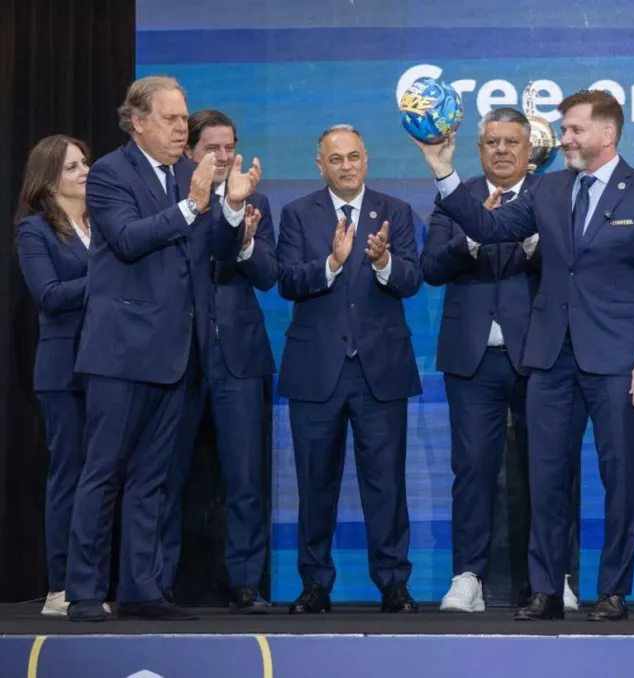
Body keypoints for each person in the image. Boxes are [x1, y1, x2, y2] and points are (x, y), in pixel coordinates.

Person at [415, 90, 634, 621]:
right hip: (550, 357)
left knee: (619, 476)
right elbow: (488, 228)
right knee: (546, 475)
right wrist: (444, 172)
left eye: (575, 130)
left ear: (607, 133)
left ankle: (612, 590)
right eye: (564, 130)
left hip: (616, 358)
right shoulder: (550, 189)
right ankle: (544, 589)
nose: (564, 139)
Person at [65, 75, 260, 621]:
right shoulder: (109, 173)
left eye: (184, 117)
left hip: (179, 353)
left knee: (154, 478)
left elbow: (216, 253)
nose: (183, 127)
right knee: (103, 472)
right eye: (173, 119)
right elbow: (128, 239)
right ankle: (83, 591)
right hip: (122, 353)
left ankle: (140, 589)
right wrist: (194, 205)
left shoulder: (186, 176)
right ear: (138, 122)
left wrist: (229, 208)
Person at [421, 107, 579, 612]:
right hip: (471, 360)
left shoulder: (552, 196)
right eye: (493, 142)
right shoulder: (457, 198)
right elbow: (429, 267)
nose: (503, 150)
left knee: (552, 468)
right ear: (479, 148)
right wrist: (473, 236)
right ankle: (468, 576)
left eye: (513, 141)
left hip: (538, 356)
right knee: (471, 469)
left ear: (529, 149)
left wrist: (533, 240)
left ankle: (557, 578)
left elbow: (574, 265)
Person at [277, 124, 422, 614]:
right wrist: (332, 264)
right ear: (320, 165)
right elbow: (288, 281)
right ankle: (315, 584)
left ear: (366, 160)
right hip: (317, 371)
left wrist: (382, 262)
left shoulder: (396, 213)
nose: (345, 166)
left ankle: (393, 583)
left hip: (380, 371)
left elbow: (412, 279)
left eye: (353, 156)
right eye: (335, 159)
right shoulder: (297, 214)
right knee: (314, 484)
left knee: (386, 484)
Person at [159, 109, 276, 613]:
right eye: (212, 147)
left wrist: (245, 240)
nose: (223, 156)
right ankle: (156, 580)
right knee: (162, 475)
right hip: (176, 355)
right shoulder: (173, 200)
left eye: (229, 146)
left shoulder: (258, 201)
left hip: (240, 356)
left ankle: (245, 581)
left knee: (246, 478)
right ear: (189, 151)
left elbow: (270, 274)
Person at [14, 135, 108, 618]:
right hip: (62, 370)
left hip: (108, 367)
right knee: (68, 477)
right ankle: (61, 585)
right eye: (74, 167)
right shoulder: (35, 232)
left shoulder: (103, 225)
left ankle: (92, 582)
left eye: (86, 163)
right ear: (50, 178)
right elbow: (49, 295)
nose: (86, 172)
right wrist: (108, 281)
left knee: (103, 478)